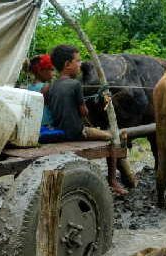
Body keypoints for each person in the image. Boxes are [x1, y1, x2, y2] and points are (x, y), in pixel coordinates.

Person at [46, 44, 126, 195]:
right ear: (67, 65)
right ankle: (112, 180)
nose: (80, 64)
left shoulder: (52, 86)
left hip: (58, 131)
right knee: (113, 138)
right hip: (77, 132)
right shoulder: (76, 84)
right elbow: (84, 111)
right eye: (78, 61)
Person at [25, 53, 55, 129]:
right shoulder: (46, 87)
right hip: (47, 126)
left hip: (33, 125)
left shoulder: (28, 87)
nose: (53, 73)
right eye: (51, 69)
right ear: (40, 71)